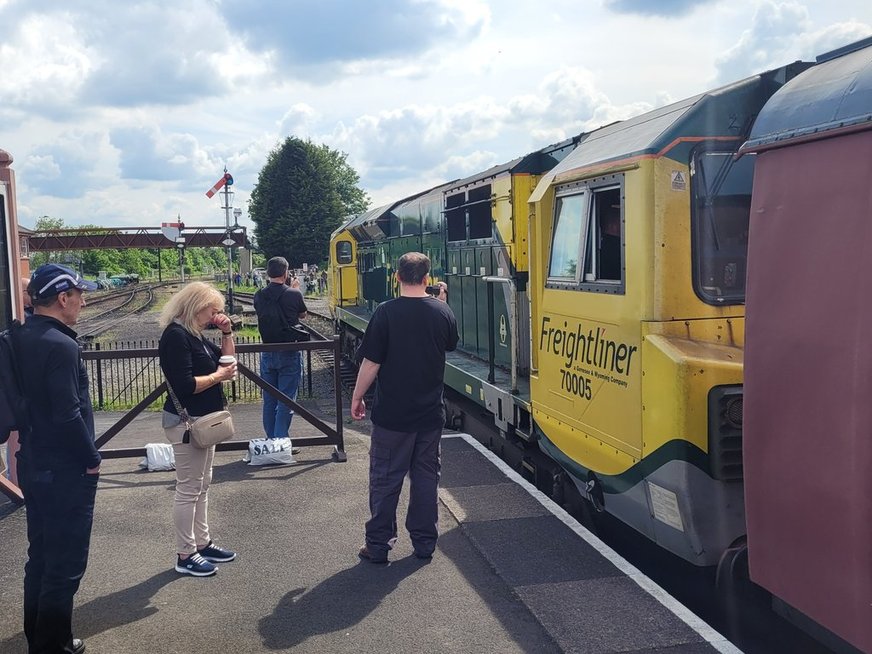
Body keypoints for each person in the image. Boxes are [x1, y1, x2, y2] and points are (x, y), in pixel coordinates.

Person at [351, 252, 459, 563]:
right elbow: (450, 343)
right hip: (429, 415)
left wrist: (358, 396)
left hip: (392, 416)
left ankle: (379, 545)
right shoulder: (442, 312)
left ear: (397, 277)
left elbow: (372, 362)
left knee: (385, 478)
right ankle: (425, 544)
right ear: (427, 278)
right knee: (426, 478)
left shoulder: (385, 313)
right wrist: (442, 301)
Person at [15, 263, 100, 654]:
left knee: (41, 558)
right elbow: (68, 413)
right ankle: (54, 647)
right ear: (63, 298)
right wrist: (91, 459)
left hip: (31, 461)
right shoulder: (62, 345)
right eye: (79, 294)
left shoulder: (20, 337)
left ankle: (41, 640)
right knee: (64, 567)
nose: (82, 301)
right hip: (65, 470)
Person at [158, 281, 238, 577]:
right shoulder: (176, 336)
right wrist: (218, 376)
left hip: (203, 421)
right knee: (189, 488)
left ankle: (202, 543)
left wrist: (227, 332)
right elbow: (186, 384)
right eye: (212, 310)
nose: (215, 315)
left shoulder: (195, 335)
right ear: (196, 306)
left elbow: (227, 362)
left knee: (202, 485)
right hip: (186, 423)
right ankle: (185, 553)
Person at [254, 256, 308, 448]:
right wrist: (294, 289)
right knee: (286, 399)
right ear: (286, 273)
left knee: (269, 400)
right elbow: (302, 315)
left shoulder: (259, 295)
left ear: (268, 273)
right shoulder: (294, 294)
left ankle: (271, 442)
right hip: (289, 351)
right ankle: (280, 443)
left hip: (267, 352)